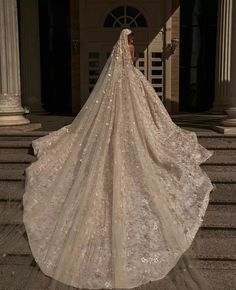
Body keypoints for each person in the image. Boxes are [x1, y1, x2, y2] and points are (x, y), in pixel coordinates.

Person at [22, 28, 214, 289]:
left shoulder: (118, 77)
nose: (131, 52)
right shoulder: (129, 76)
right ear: (127, 47)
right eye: (131, 47)